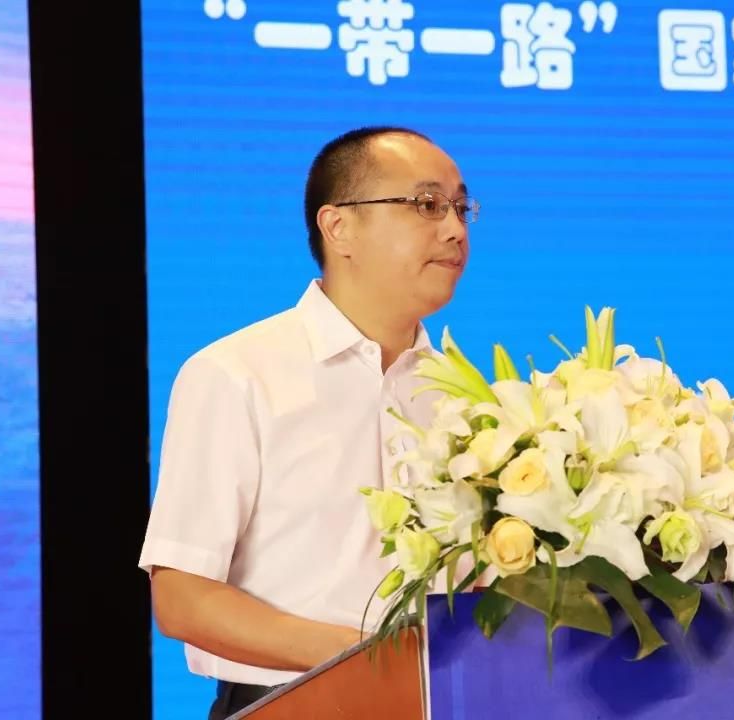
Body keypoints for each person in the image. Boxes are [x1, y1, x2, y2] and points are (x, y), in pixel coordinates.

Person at [137, 126, 478, 720]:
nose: (454, 229)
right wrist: (369, 658)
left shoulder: (465, 394)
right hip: (289, 705)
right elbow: (183, 598)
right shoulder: (237, 373)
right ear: (338, 226)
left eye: (460, 207)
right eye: (427, 204)